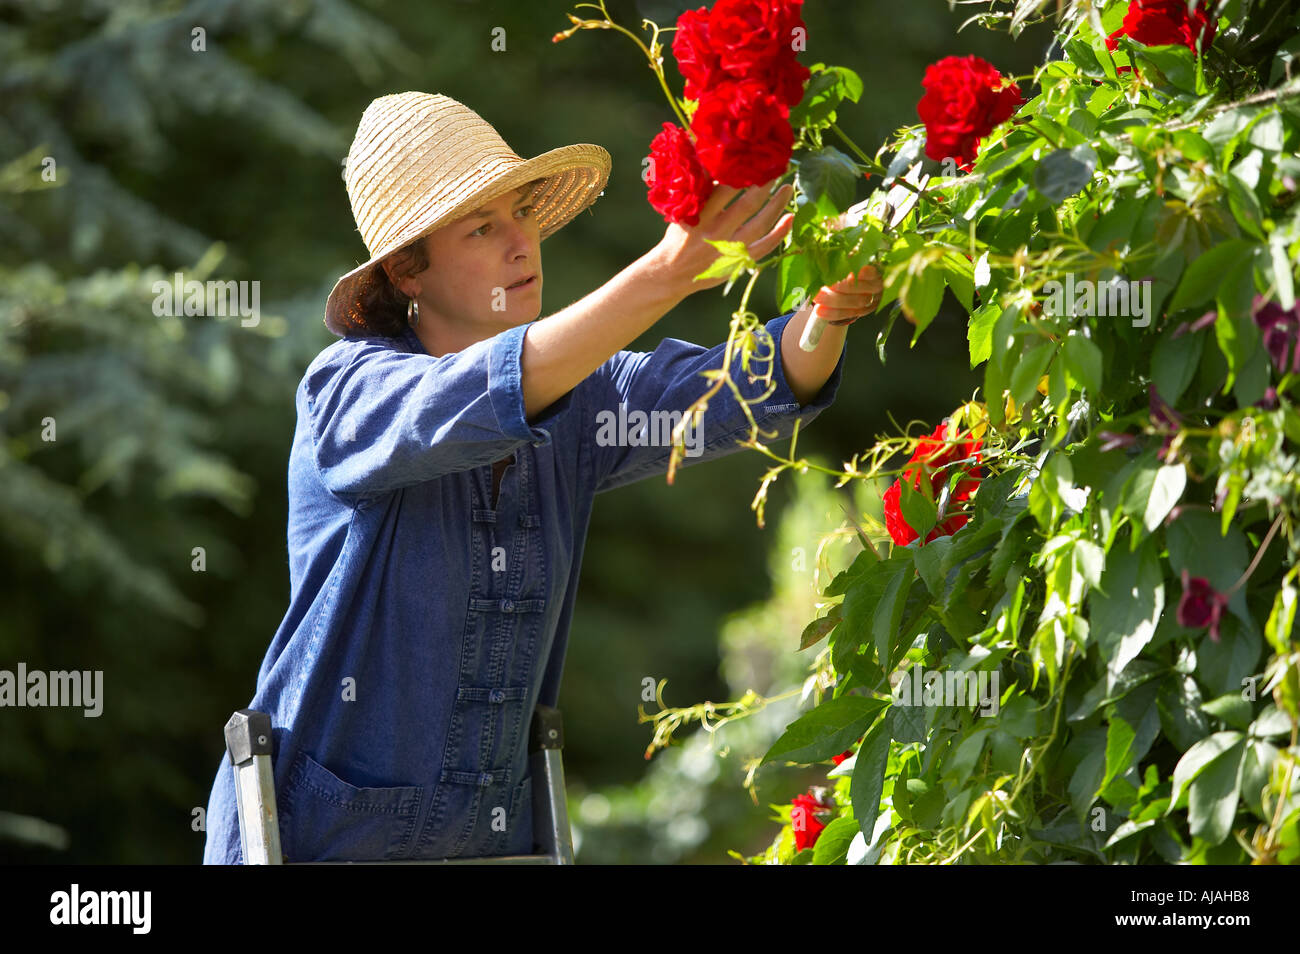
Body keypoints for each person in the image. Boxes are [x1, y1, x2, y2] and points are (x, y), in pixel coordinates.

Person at [201, 91, 882, 864]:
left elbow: (748, 390)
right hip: (317, 847)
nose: (522, 245)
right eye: (483, 228)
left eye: (522, 214)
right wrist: (663, 273)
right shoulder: (347, 392)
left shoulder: (581, 398)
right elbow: (474, 397)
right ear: (405, 270)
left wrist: (827, 312)